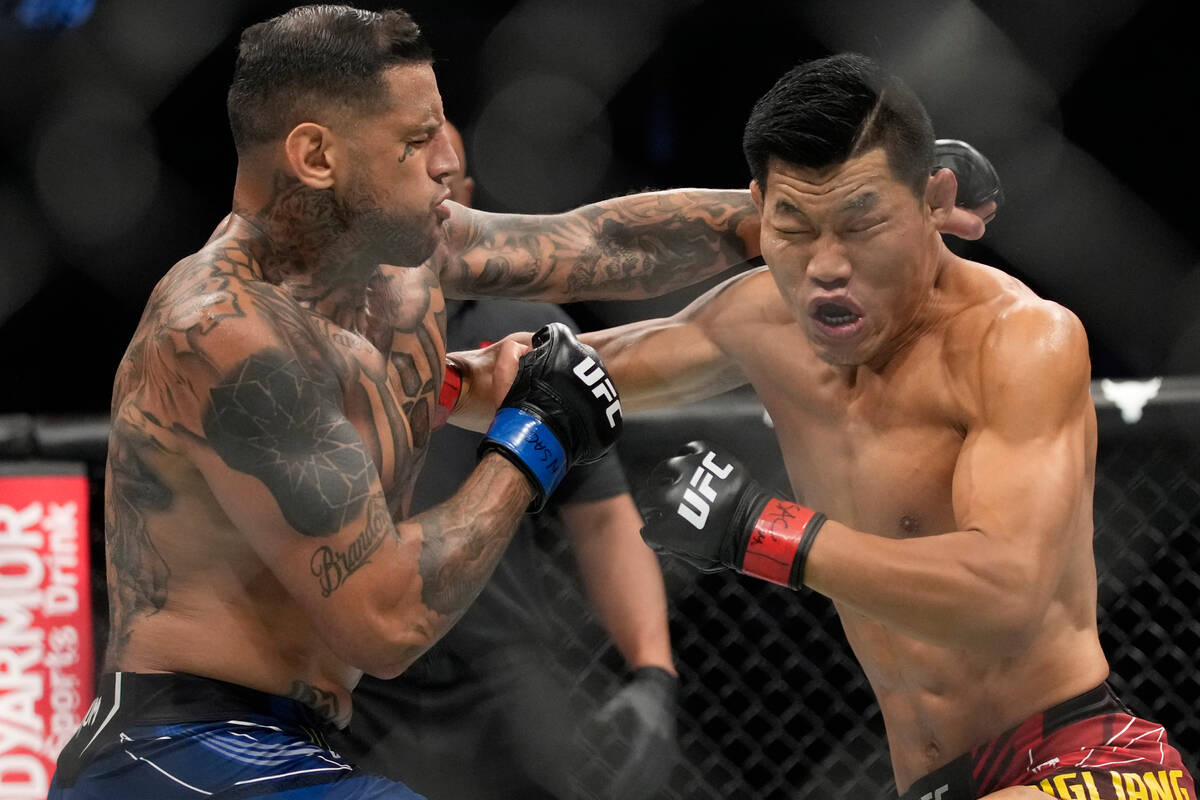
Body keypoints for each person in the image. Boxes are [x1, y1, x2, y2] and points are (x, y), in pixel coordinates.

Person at [45, 5, 990, 796]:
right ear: (317, 156)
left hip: (296, 742)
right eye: (413, 144)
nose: (444, 165)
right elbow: (383, 624)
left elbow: (592, 240)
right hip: (170, 749)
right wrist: (534, 436)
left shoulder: (407, 257)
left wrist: (810, 214)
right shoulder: (223, 330)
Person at [579, 53, 1196, 799]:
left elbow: (1005, 596)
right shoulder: (755, 320)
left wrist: (761, 529)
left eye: (862, 221)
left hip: (1085, 763)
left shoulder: (1019, 339)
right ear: (759, 215)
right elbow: (564, 373)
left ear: (932, 202)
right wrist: (410, 364)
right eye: (796, 227)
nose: (828, 265)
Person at [334, 122, 680, 800]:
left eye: (443, 180)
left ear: (466, 199)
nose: (428, 196)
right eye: (407, 177)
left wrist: (653, 672)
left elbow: (605, 518)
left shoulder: (530, 330)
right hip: (348, 665)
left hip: (499, 665)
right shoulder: (318, 325)